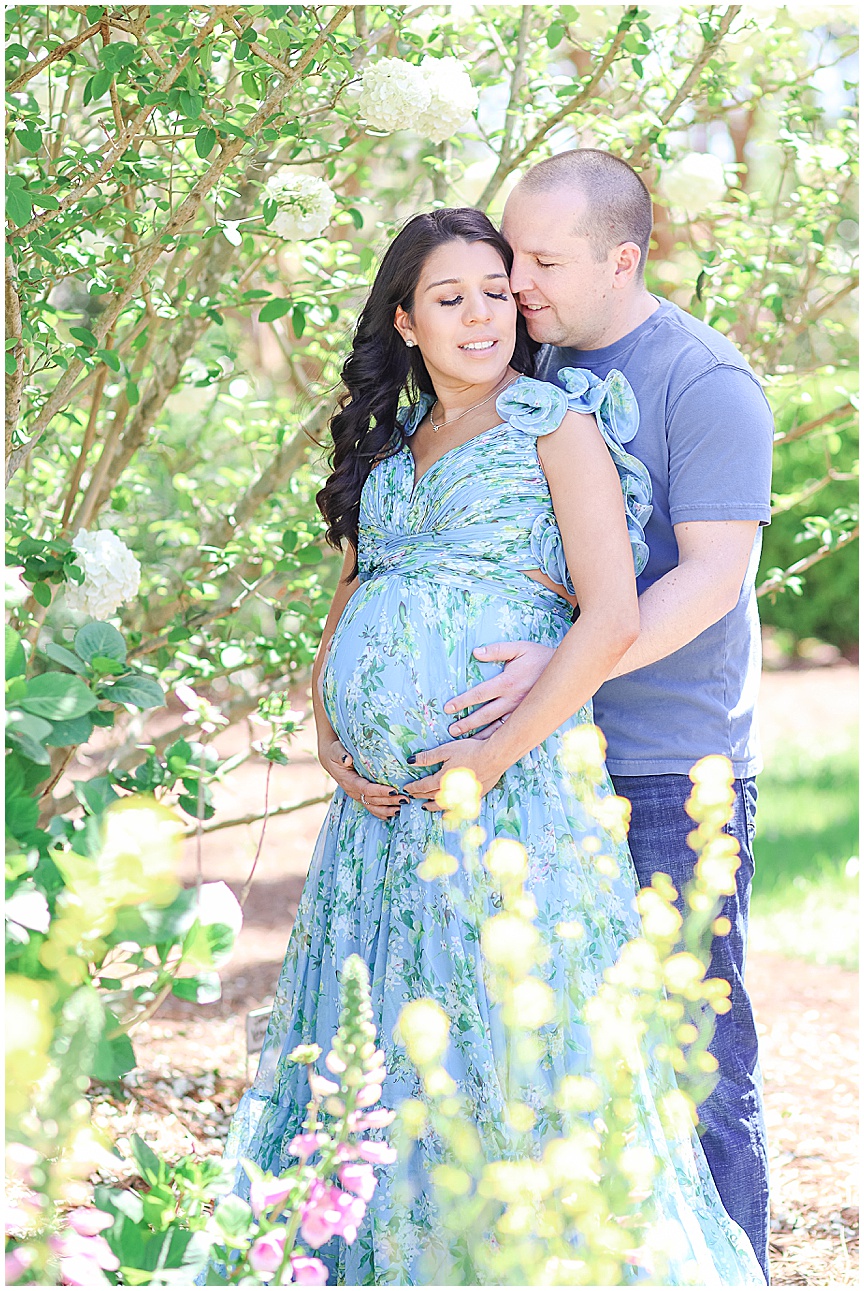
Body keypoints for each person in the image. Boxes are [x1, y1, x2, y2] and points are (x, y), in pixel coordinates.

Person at [214, 206, 767, 1286]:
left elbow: (609, 614)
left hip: (506, 792)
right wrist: (330, 738)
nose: (481, 315)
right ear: (406, 323)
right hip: (373, 816)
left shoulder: (555, 425)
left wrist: (492, 754)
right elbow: (355, 595)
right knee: (377, 1044)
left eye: (495, 292)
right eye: (448, 298)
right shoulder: (385, 444)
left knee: (503, 1038)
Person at [418, 151, 773, 1280]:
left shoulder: (705, 383)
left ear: (624, 259)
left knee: (691, 1062)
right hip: (540, 764)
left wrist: (565, 666)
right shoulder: (534, 360)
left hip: (670, 770)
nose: (514, 280)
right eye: (513, 251)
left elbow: (710, 575)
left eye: (542, 260)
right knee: (550, 1052)